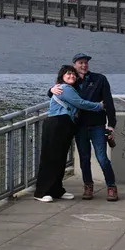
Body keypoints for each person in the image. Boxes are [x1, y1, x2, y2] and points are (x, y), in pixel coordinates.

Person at [35, 64, 105, 202]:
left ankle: (56, 190)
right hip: (56, 124)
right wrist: (100, 106)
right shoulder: (65, 88)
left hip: (64, 124)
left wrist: (50, 90)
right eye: (68, 74)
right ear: (62, 76)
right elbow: (80, 103)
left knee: (60, 159)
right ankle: (42, 192)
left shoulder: (70, 88)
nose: (71, 76)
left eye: (73, 74)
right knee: (50, 158)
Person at [69, 53, 118, 200]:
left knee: (102, 158)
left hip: (97, 125)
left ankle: (111, 187)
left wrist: (111, 124)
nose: (84, 65)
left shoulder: (99, 79)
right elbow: (57, 91)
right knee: (84, 158)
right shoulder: (71, 80)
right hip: (80, 127)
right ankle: (88, 186)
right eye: (80, 63)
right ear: (74, 65)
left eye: (86, 63)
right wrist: (51, 91)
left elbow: (108, 102)